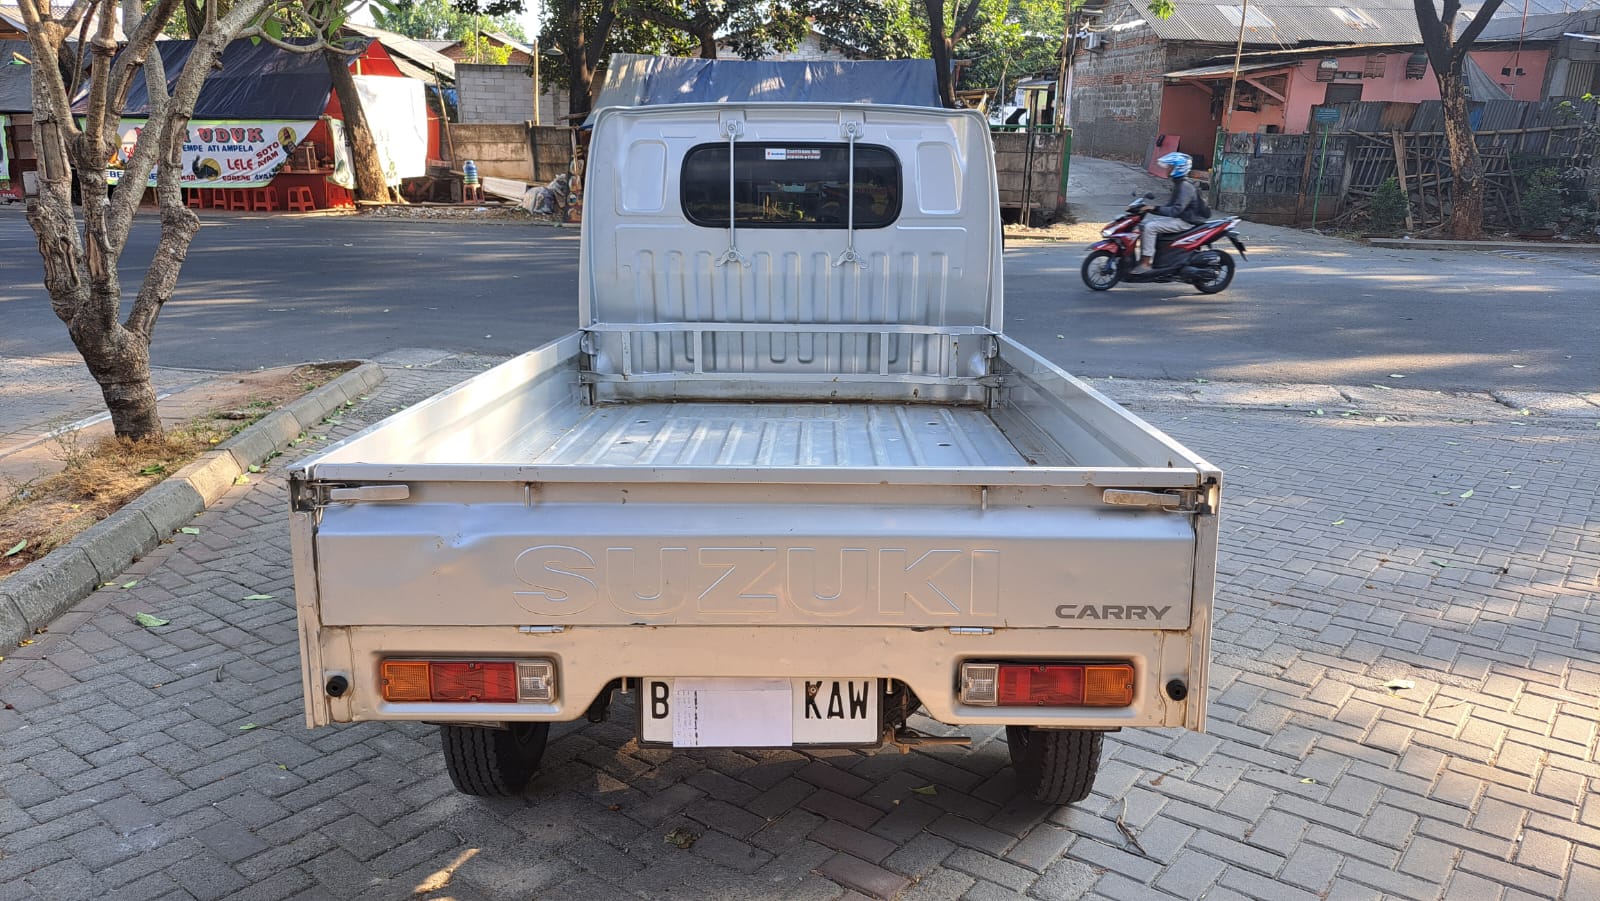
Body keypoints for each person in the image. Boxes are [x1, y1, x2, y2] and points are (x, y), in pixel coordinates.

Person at [1131, 151, 1208, 275]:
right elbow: (1170, 207)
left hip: (1185, 221)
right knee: (1143, 224)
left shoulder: (1184, 186)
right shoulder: (1179, 184)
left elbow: (1175, 210)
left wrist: (1153, 208)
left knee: (1150, 227)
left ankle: (1145, 263)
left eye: (1170, 167)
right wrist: (1150, 208)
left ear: (1178, 168)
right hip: (1181, 218)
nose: (1167, 169)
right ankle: (1152, 257)